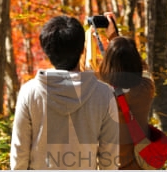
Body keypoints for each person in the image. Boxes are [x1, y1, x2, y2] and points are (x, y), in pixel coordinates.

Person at [10, 15, 119, 170]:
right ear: (83, 49)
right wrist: (114, 37)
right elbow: (110, 160)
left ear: (47, 51)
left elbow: (19, 156)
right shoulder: (104, 94)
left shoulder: (30, 93)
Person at [98, 34, 155, 169]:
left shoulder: (100, 94)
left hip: (110, 165)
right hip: (139, 163)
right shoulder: (146, 88)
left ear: (108, 63)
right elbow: (144, 69)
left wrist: (113, 47)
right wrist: (115, 37)